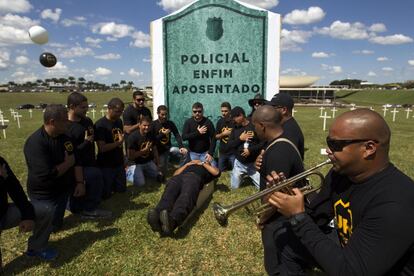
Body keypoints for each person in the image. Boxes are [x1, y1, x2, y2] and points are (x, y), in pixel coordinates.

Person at [267, 109, 414, 275]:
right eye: (328, 142)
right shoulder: (341, 174)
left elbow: (351, 271)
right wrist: (288, 197)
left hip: (372, 268)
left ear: (369, 148)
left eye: (335, 145)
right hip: (351, 248)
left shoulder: (395, 203)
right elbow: (317, 217)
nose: (328, 150)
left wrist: (298, 218)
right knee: (279, 233)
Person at [251, 105, 304, 275]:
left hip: (279, 220)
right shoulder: (280, 141)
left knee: (277, 266)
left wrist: (263, 218)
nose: (254, 129)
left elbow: (277, 194)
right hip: (282, 217)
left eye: (254, 126)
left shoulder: (278, 151)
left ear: (262, 126)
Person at [24, 104, 85, 232]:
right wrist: (68, 163)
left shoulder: (66, 137)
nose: (68, 123)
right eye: (65, 120)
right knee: (46, 227)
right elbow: (46, 174)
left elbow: (77, 160)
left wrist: (80, 182)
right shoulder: (35, 143)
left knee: (56, 226)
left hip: (62, 191)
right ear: (52, 122)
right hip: (44, 194)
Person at [0, 156, 56, 261]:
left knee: (45, 209)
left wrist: (27, 215)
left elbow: (15, 188)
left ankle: (37, 247)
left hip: (4, 213)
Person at [66, 92, 112, 219]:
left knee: (104, 189)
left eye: (87, 107)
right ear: (72, 106)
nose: (86, 109)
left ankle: (84, 203)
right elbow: (70, 153)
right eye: (83, 107)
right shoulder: (65, 127)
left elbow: (95, 139)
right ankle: (89, 210)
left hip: (91, 161)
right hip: (75, 166)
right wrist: (86, 142)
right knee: (94, 175)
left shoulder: (87, 121)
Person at [147, 159, 220, 235]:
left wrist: (203, 163)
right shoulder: (189, 166)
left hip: (194, 177)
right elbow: (175, 174)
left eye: (205, 160)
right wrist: (187, 164)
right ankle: (158, 216)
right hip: (179, 178)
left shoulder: (207, 169)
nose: (200, 161)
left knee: (186, 197)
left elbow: (217, 172)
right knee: (169, 193)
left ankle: (173, 221)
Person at [95, 98, 126, 199]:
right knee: (106, 195)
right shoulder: (100, 125)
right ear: (109, 109)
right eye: (117, 111)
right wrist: (119, 143)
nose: (120, 114)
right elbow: (102, 148)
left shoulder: (119, 122)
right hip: (106, 165)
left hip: (119, 163)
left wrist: (123, 157)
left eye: (121, 111)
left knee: (121, 191)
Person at [227, 106, 262, 189]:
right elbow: (229, 145)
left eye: (234, 118)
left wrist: (250, 150)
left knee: (262, 187)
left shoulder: (254, 126)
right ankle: (235, 173)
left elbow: (263, 143)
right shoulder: (235, 128)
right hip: (239, 164)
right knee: (234, 187)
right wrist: (240, 139)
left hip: (252, 164)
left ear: (241, 115)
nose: (233, 121)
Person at [151, 105, 187, 179]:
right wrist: (162, 134)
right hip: (159, 151)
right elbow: (152, 140)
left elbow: (177, 135)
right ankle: (158, 163)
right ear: (157, 113)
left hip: (169, 148)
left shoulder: (170, 123)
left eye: (166, 114)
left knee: (185, 153)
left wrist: (181, 147)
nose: (164, 116)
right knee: (163, 171)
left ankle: (180, 169)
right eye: (162, 114)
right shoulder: (153, 124)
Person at [265, 92, 304, 159]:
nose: (270, 110)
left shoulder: (289, 132)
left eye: (273, 107)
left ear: (284, 110)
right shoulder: (282, 126)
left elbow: (283, 160)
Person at [127, 116, 161, 187]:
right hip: (136, 163)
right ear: (139, 125)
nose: (147, 127)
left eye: (148, 125)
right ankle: (128, 171)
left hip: (147, 161)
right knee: (140, 183)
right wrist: (143, 151)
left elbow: (155, 149)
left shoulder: (151, 135)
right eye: (144, 125)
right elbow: (131, 156)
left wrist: (158, 164)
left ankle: (143, 172)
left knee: (158, 175)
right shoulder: (133, 137)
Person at [215, 102, 235, 171]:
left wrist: (231, 133)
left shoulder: (234, 121)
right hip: (222, 152)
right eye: (222, 111)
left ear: (230, 111)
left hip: (233, 152)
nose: (223, 113)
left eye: (226, 111)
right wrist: (223, 134)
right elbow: (216, 137)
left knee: (235, 172)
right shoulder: (220, 122)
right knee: (220, 171)